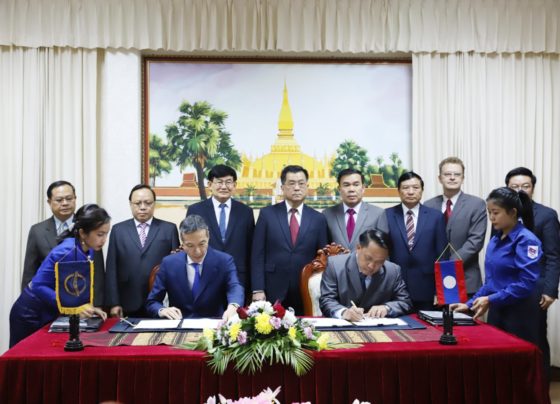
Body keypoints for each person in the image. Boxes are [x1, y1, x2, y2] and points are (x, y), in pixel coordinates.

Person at [453, 187, 542, 350]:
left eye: (496, 212)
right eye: (489, 212)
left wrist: (491, 299)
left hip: (520, 312)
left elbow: (527, 283)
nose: (491, 218)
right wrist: (469, 304)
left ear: (512, 212)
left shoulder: (526, 240)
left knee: (517, 359)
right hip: (497, 309)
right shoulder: (495, 240)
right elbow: (491, 282)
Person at [10, 204, 110, 347]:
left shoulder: (89, 249)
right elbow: (38, 285)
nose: (104, 239)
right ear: (83, 233)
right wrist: (73, 307)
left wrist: (87, 307)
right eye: (100, 234)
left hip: (49, 311)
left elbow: (75, 286)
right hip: (30, 313)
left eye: (106, 234)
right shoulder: (65, 251)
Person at [505, 167, 560, 378]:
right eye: (514, 186)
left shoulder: (546, 215)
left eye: (525, 186)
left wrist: (550, 290)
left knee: (534, 340)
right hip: (505, 290)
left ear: (533, 188)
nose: (520, 190)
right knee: (505, 339)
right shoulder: (500, 213)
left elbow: (553, 255)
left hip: (534, 291)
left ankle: (539, 388)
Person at [251, 165, 328, 314]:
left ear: (307, 187)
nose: (297, 188)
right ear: (282, 187)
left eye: (301, 183)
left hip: (305, 289)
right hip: (272, 288)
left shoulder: (318, 219)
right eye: (291, 183)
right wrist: (258, 288)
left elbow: (322, 259)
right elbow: (257, 254)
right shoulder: (267, 214)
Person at [21, 180, 106, 306]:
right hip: (47, 302)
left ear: (75, 199)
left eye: (69, 198)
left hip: (83, 305)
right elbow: (30, 272)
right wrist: (28, 302)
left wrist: (96, 305)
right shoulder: (37, 231)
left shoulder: (90, 228)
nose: (65, 203)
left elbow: (98, 273)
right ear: (49, 202)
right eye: (59, 200)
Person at [146, 215, 244, 320]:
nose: (197, 251)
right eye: (190, 245)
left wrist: (233, 306)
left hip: (213, 323)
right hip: (179, 323)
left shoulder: (224, 261)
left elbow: (235, 286)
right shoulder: (169, 263)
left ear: (208, 237)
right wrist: (162, 310)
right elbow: (152, 301)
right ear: (182, 243)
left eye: (202, 244)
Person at [105, 184, 180, 318]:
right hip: (127, 302)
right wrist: (114, 303)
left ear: (154, 203)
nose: (143, 207)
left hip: (160, 302)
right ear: (130, 204)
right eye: (138, 203)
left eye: (148, 203)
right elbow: (111, 269)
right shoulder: (118, 230)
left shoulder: (169, 229)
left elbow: (176, 268)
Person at [378, 171, 447, 311]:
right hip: (395, 286)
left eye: (415, 188)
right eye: (405, 188)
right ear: (398, 191)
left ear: (422, 190)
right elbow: (382, 253)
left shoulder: (436, 217)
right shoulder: (387, 215)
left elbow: (443, 255)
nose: (410, 192)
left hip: (427, 287)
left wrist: (440, 291)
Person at [186, 164, 254, 297]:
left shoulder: (246, 212)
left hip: (238, 279)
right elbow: (189, 245)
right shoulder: (196, 210)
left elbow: (251, 248)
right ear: (210, 184)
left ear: (234, 185)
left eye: (228, 182)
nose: (224, 186)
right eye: (219, 182)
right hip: (204, 277)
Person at [424, 157, 487, 297]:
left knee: (465, 313)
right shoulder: (428, 205)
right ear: (440, 178)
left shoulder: (476, 204)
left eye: (457, 174)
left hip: (466, 280)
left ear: (463, 178)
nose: (452, 177)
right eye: (447, 174)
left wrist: (447, 266)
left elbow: (475, 241)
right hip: (433, 281)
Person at [320, 229, 412, 319]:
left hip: (379, 326)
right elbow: (327, 300)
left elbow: (405, 302)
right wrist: (344, 312)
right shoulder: (335, 265)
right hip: (345, 325)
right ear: (358, 248)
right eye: (368, 258)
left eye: (379, 262)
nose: (371, 266)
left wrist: (387, 308)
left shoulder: (393, 271)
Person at [322, 168, 385, 250]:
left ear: (363, 188)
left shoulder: (378, 213)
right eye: (346, 185)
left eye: (356, 184)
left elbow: (383, 249)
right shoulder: (327, 214)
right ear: (339, 189)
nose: (351, 189)